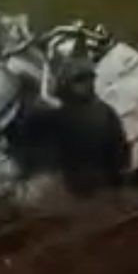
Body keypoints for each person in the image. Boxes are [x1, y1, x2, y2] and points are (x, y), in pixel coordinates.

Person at [46, 59, 131, 197]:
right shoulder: (56, 116)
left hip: (103, 187)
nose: (87, 84)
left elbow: (120, 150)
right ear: (67, 83)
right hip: (69, 187)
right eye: (79, 80)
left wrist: (119, 180)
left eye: (89, 78)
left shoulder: (105, 112)